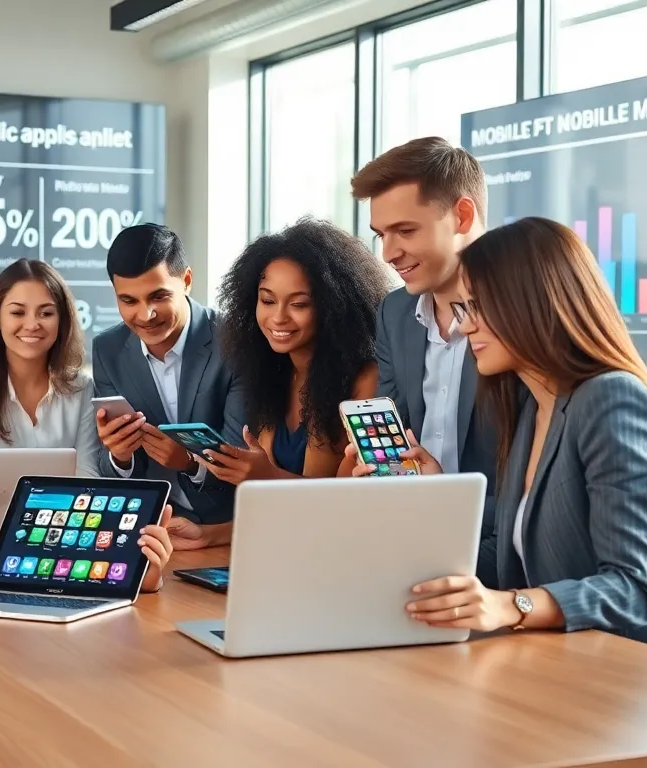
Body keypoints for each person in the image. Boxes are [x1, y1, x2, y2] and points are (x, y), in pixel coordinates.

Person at [386, 218, 647, 665]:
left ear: (532, 305)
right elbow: (514, 562)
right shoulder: (532, 407)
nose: (464, 327)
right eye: (463, 309)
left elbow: (638, 588)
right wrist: (432, 498)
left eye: (478, 307)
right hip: (571, 662)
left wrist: (512, 606)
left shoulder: (614, 401)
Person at [351, 137, 500, 550]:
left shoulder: (522, 314)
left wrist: (445, 499)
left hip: (507, 560)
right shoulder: (395, 314)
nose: (387, 254)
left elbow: (547, 499)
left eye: (405, 231)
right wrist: (381, 473)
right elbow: (399, 442)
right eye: (381, 234)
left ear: (462, 216)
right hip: (418, 542)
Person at [207, 217, 393, 492]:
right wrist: (207, 535)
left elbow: (349, 501)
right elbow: (273, 504)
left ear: (334, 308)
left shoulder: (366, 379)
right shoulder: (276, 372)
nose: (278, 317)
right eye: (267, 301)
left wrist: (266, 476)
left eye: (298, 304)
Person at [92, 224, 244, 550]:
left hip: (226, 532)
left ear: (186, 281)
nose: (145, 315)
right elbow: (111, 473)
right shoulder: (108, 350)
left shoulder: (234, 341)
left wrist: (190, 463)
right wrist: (120, 455)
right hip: (147, 533)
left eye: (158, 297)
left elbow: (241, 460)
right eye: (128, 300)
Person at [0, 259, 99, 476]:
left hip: (61, 510)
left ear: (62, 321)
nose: (32, 325)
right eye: (17, 313)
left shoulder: (81, 387)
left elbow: (86, 475)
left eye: (46, 313)